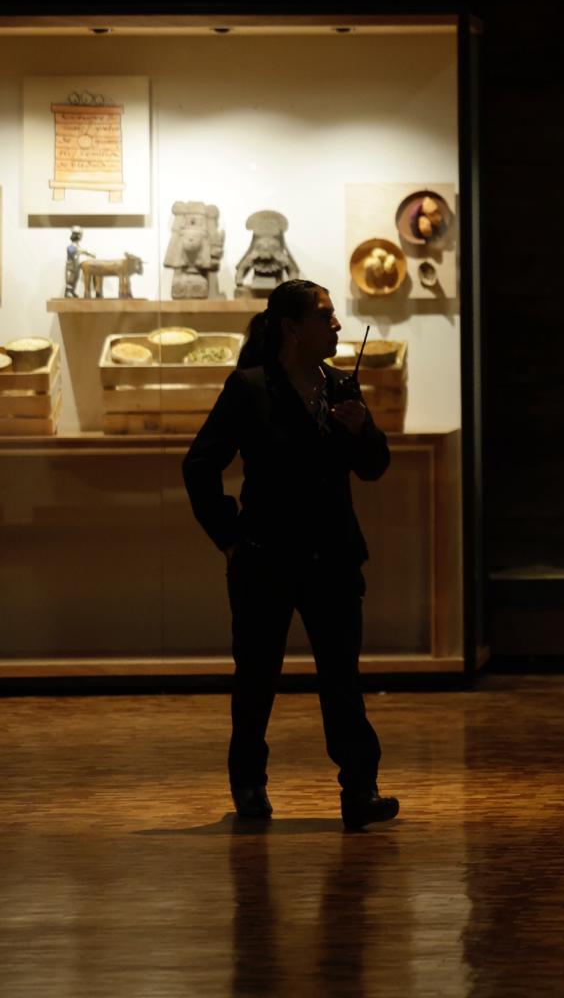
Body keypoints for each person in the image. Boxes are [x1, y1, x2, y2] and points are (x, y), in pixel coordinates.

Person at [182, 279, 399, 830]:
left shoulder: (339, 386)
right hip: (266, 555)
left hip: (332, 555)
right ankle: (250, 786)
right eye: (324, 316)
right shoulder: (251, 387)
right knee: (257, 676)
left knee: (341, 678)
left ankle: (360, 789)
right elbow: (200, 465)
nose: (336, 324)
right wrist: (230, 536)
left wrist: (362, 430)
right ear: (290, 328)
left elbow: (374, 467)